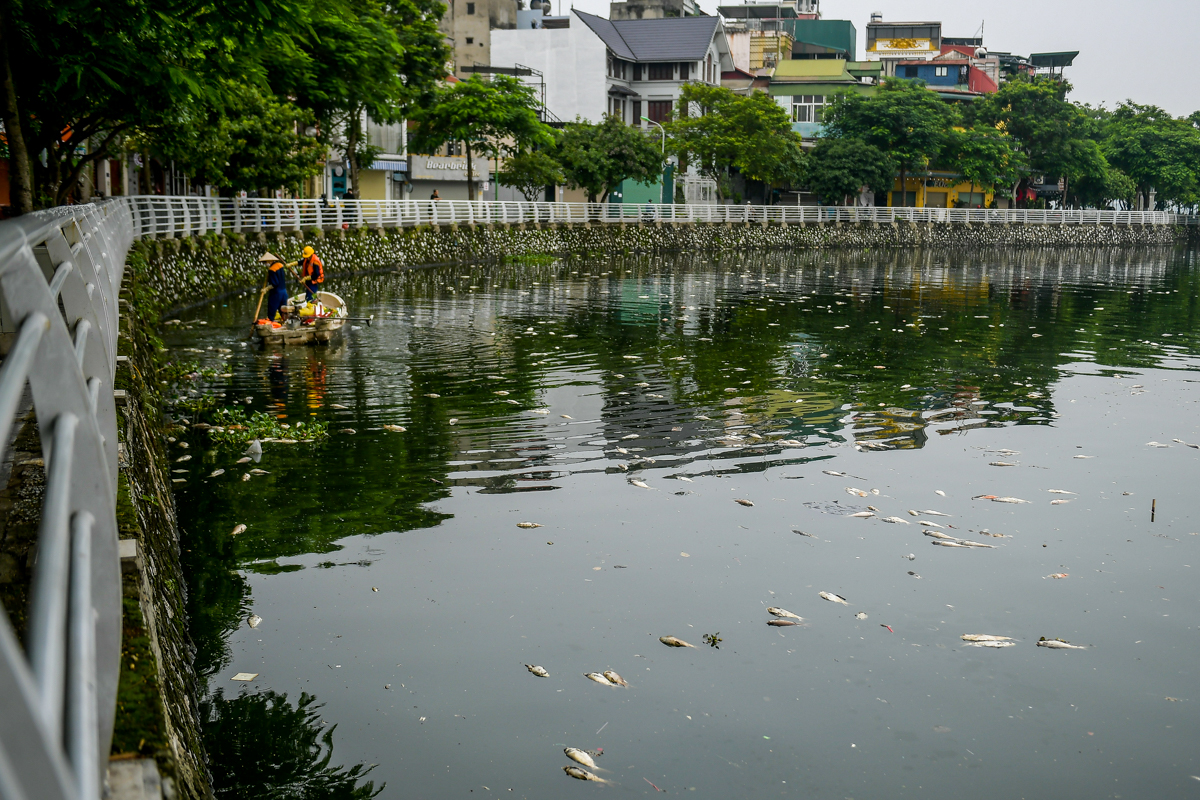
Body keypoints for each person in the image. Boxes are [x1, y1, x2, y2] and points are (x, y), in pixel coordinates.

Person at [259, 252, 289, 322]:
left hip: (277, 293)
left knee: (272, 309)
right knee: (283, 309)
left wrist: (266, 289)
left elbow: (275, 283)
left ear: (269, 261)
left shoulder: (272, 269)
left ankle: (270, 323)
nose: (265, 264)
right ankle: (285, 322)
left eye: (265, 262)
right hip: (284, 291)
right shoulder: (280, 265)